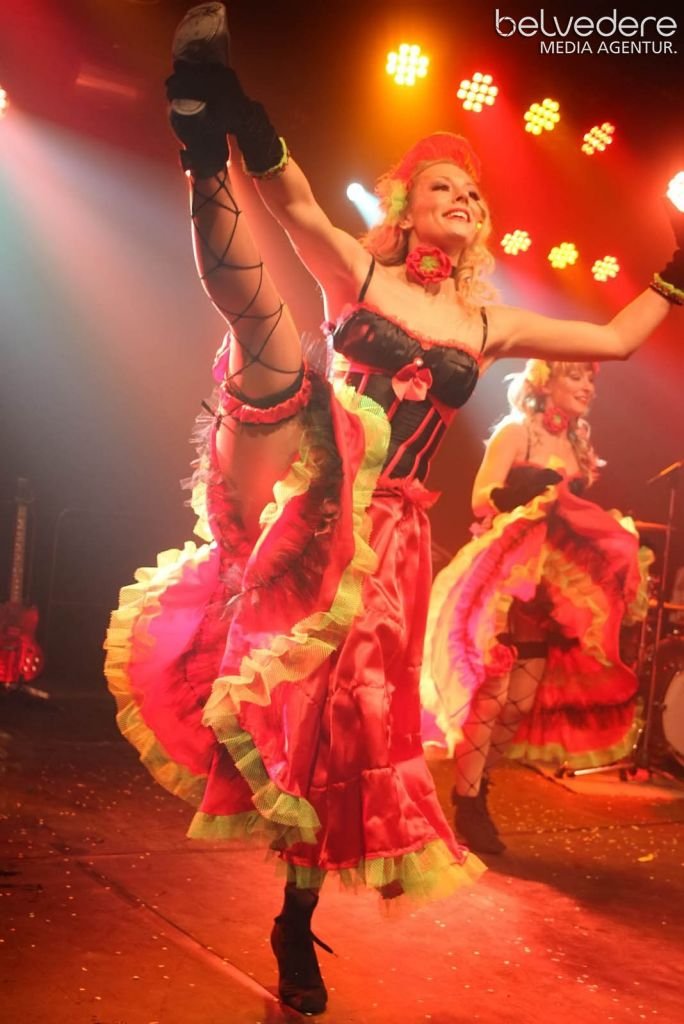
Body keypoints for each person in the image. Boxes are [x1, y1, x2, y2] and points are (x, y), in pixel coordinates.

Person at [104, 3, 682, 1015]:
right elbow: (293, 201)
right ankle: (201, 133)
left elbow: (620, 339)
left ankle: (295, 917)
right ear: (407, 208)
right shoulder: (363, 272)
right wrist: (245, 117)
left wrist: (677, 268)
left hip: (394, 543)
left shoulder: (488, 325)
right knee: (267, 333)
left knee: (345, 733)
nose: (464, 198)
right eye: (443, 186)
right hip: (317, 491)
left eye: (473, 192)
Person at [421, 360, 653, 854]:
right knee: (493, 691)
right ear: (546, 382)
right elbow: (480, 499)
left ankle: (476, 783)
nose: (587, 387)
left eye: (590, 379)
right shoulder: (515, 431)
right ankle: (469, 802)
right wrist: (516, 493)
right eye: (575, 377)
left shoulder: (578, 442)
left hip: (549, 584)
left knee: (520, 703)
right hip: (506, 575)